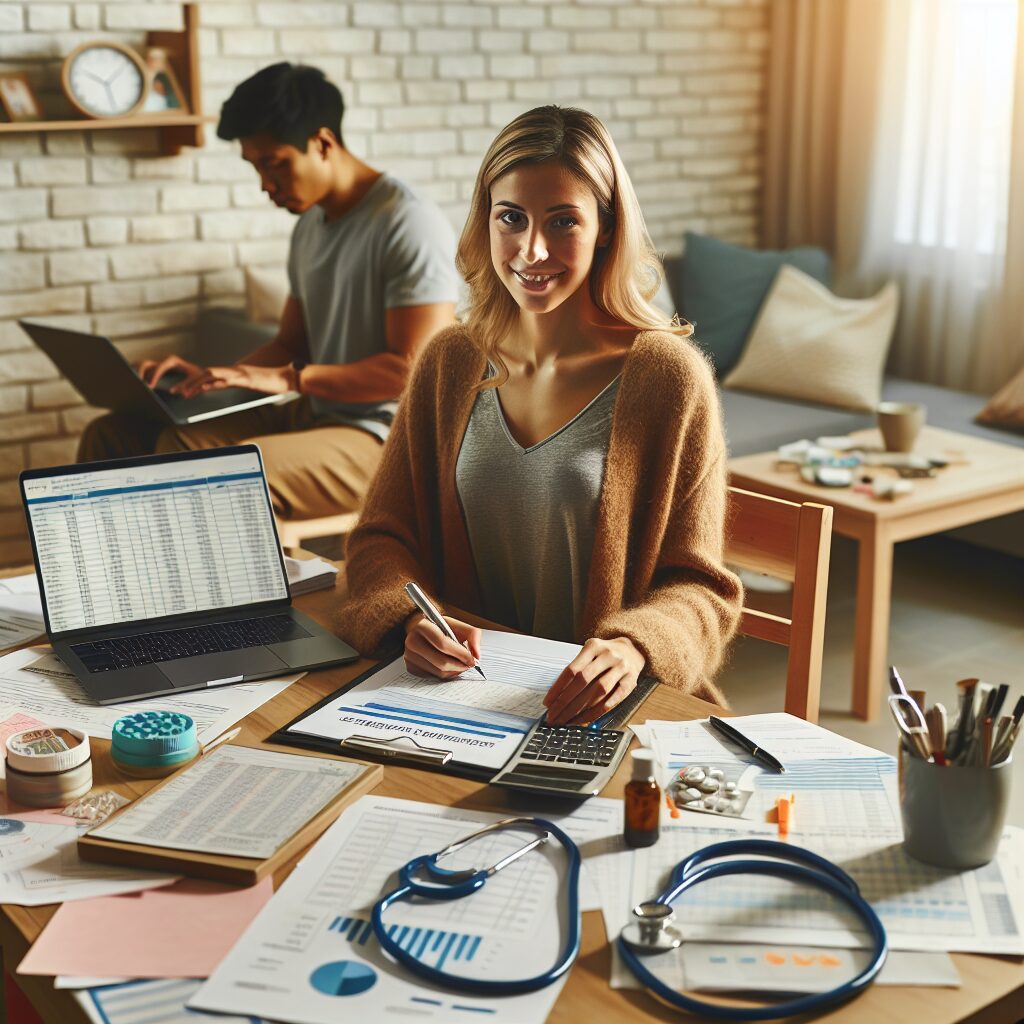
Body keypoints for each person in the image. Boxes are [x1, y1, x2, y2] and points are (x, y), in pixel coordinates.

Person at [338, 106, 743, 725]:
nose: (532, 249)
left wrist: (635, 645)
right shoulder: (449, 361)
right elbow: (381, 540)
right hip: (460, 701)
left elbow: (703, 591)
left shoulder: (668, 377)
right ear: (486, 221)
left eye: (563, 222)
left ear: (607, 227)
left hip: (606, 711)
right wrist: (408, 615)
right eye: (512, 218)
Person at [78, 63, 459, 524]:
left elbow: (411, 372)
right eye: (256, 166)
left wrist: (289, 380)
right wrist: (213, 376)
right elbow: (288, 346)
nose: (265, 184)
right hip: (318, 413)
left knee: (221, 476)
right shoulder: (310, 228)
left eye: (274, 163)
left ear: (322, 143)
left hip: (392, 435)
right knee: (154, 440)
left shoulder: (408, 222)